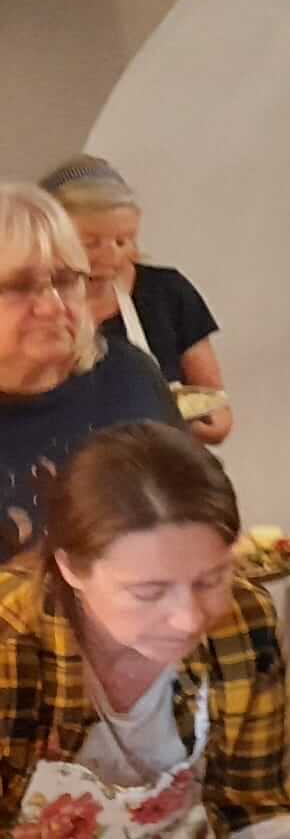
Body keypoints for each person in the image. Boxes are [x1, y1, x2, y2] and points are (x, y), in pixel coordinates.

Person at [0, 422, 290, 839]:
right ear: (70, 568)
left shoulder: (245, 622)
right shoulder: (10, 645)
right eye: (148, 592)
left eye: (211, 580)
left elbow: (252, 807)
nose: (189, 619)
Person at [0, 183, 180, 563]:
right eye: (20, 286)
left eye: (66, 281)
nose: (52, 307)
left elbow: (194, 508)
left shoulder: (128, 375)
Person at [41, 156, 232, 446]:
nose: (110, 256)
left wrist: (187, 425)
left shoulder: (167, 293)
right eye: (90, 243)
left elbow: (216, 406)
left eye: (123, 241)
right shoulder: (28, 305)